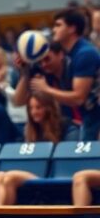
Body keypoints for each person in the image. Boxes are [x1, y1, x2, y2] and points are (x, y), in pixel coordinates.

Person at [0, 93, 76, 206]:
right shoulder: (29, 130)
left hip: (48, 176)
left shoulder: (65, 126)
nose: (34, 112)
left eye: (38, 107)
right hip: (29, 173)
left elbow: (68, 152)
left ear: (48, 108)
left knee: (10, 178)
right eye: (31, 108)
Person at [30, 8, 100, 141]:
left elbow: (78, 98)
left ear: (72, 28)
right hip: (90, 115)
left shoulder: (84, 53)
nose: (54, 29)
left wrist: (46, 89)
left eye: (58, 25)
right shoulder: (70, 54)